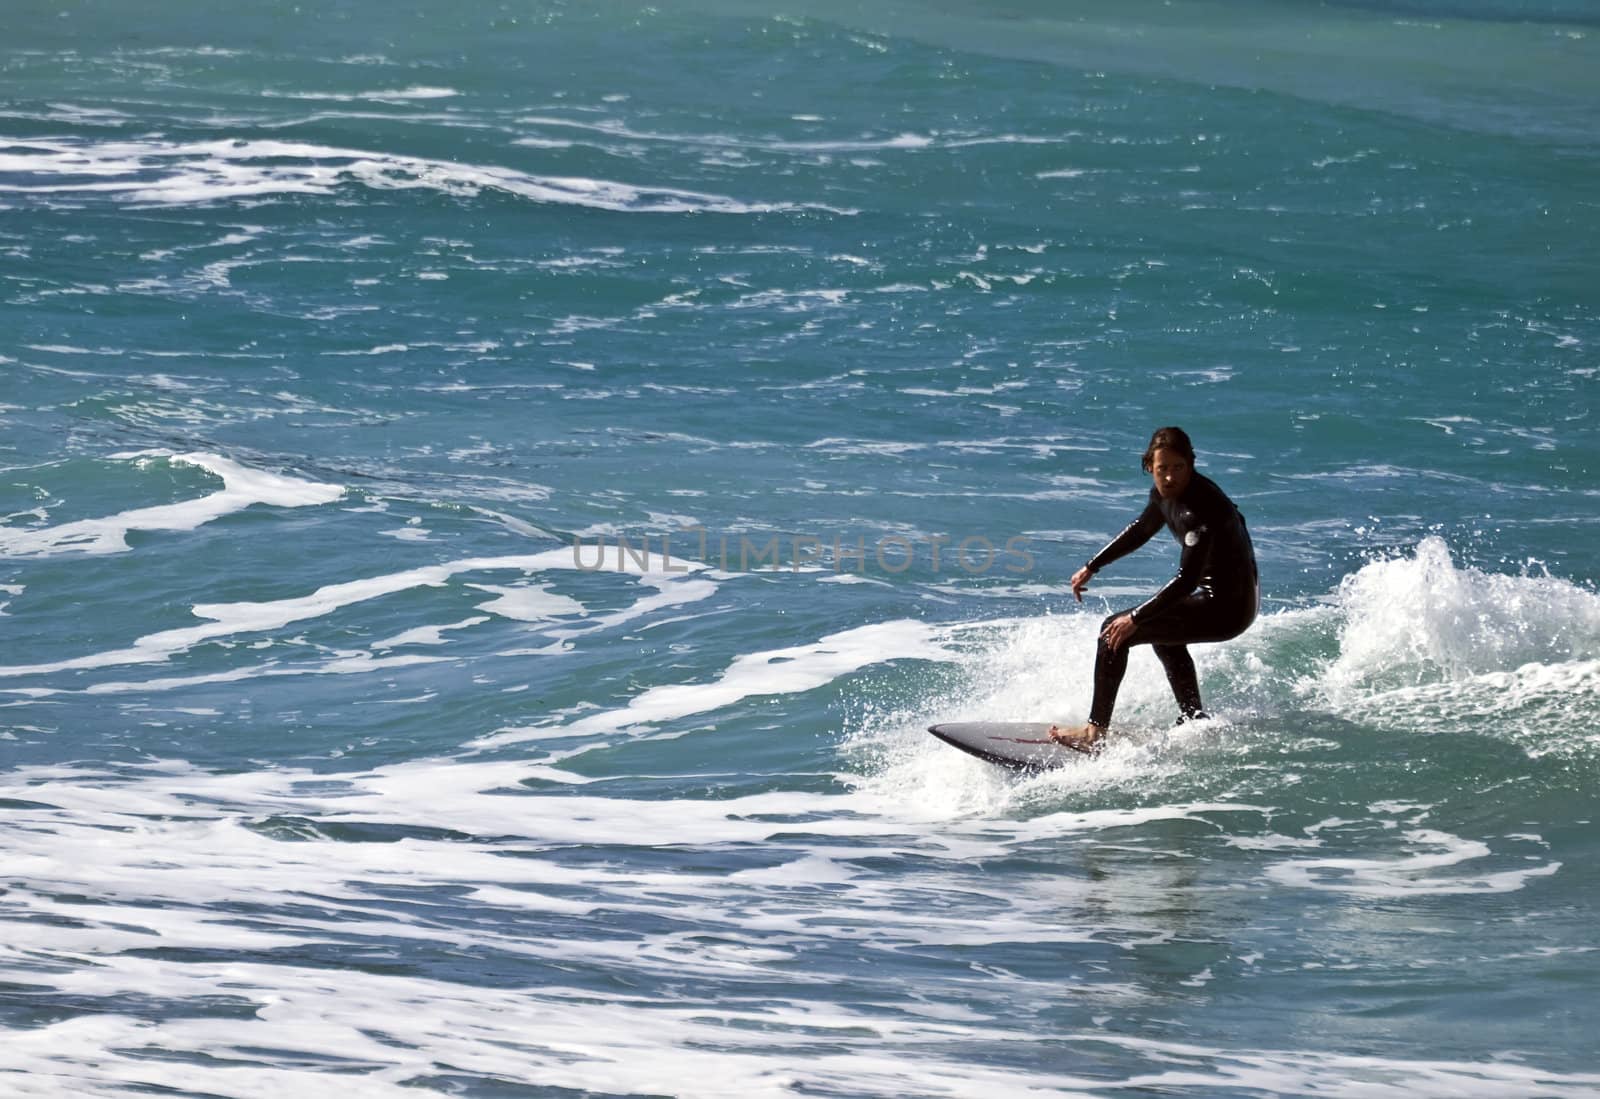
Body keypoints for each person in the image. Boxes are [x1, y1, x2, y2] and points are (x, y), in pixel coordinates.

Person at [1049, 426, 1258, 753]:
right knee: (1165, 634)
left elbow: (1186, 581)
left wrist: (1134, 618)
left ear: (1191, 464)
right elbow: (1142, 529)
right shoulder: (1164, 496)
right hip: (1224, 600)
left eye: (1179, 468)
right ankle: (1193, 718)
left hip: (1228, 608)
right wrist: (1092, 566)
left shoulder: (1198, 510)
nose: (1171, 477)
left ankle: (1094, 732)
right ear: (1149, 466)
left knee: (1113, 632)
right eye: (1162, 469)